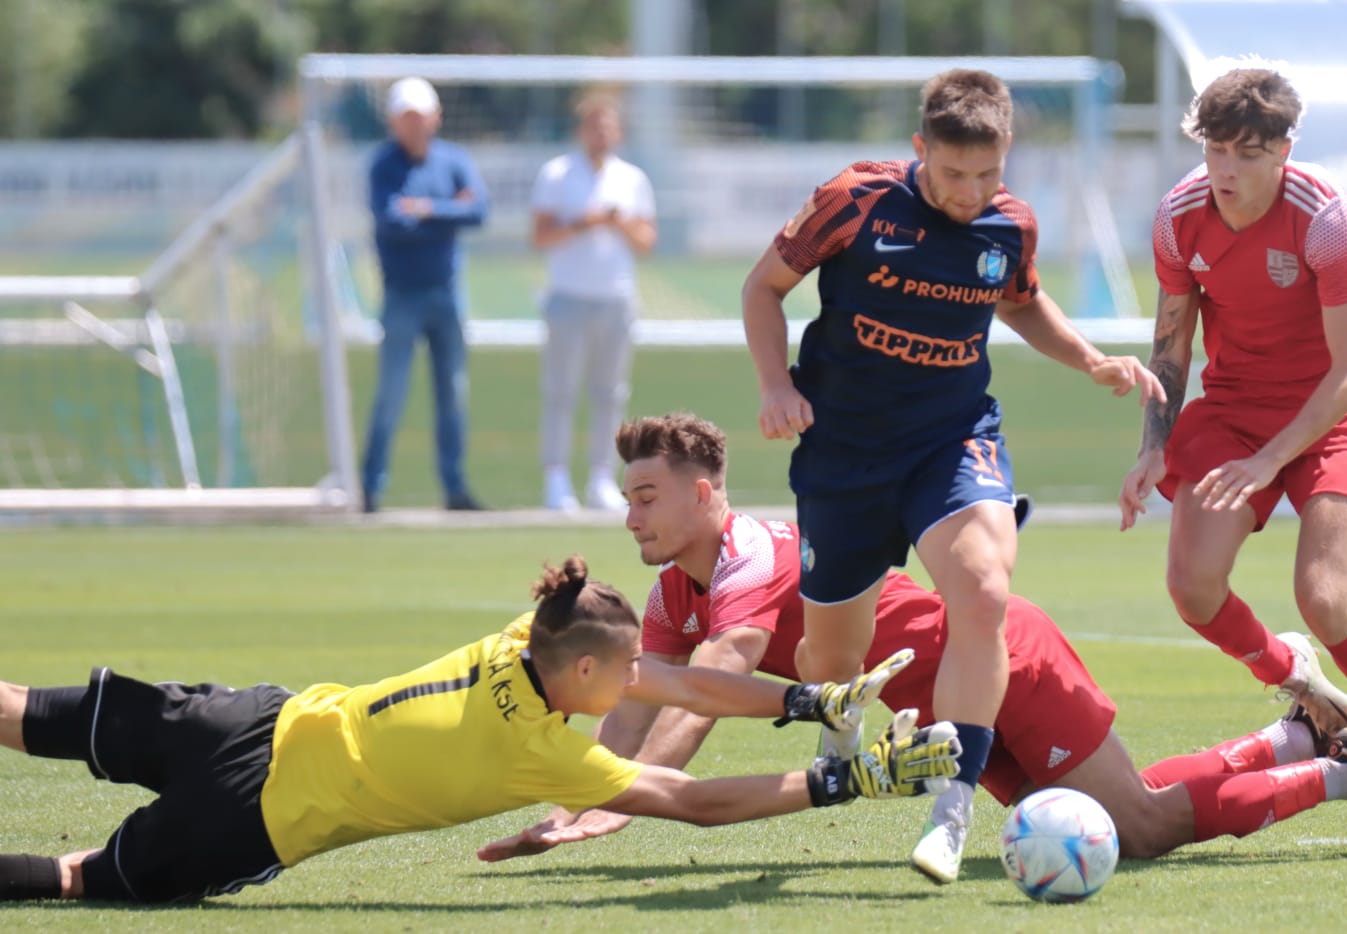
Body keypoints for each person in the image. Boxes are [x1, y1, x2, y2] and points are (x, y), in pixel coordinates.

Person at [479, 412, 1347, 865]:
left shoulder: (749, 557)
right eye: (626, 499)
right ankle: (1293, 739)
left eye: (646, 497)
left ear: (705, 495)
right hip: (946, 709)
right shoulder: (676, 590)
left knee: (1138, 828)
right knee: (1109, 817)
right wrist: (579, 804)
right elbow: (640, 708)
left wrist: (621, 802)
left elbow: (709, 692)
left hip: (1001, 665)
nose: (631, 516)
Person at [740, 68, 1159, 883]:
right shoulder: (854, 200)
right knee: (829, 659)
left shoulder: (1012, 225)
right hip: (844, 454)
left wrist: (1089, 361)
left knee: (984, 590)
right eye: (953, 173)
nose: (971, 193)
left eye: (988, 175)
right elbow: (763, 287)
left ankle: (952, 808)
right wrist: (775, 385)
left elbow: (1021, 299)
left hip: (952, 439)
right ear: (919, 149)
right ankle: (843, 726)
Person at [0, 557, 959, 904]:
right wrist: (850, 779)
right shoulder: (544, 753)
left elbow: (684, 684)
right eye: (625, 672)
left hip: (249, 717)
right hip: (252, 818)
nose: (640, 684)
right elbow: (699, 804)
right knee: (84, 875)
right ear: (583, 672)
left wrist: (800, 701)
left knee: (24, 714)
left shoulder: (523, 637)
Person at [1118, 66, 1347, 853]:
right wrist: (1150, 451)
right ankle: (1293, 676)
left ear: (1286, 150)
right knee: (1192, 590)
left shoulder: (1323, 218)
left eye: (1248, 153)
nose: (1226, 170)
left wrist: (1269, 462)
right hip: (1232, 408)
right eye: (1216, 149)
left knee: (1325, 598)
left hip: (1335, 413)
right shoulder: (1178, 217)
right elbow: (1170, 347)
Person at [359, 77, 489, 514]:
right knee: (390, 395)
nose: (414, 126)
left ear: (435, 117)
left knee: (453, 394)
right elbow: (392, 219)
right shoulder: (383, 165)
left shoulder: (453, 160)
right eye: (405, 118)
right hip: (402, 294)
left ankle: (455, 488)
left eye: (420, 116)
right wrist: (446, 211)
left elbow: (477, 210)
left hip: (446, 292)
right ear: (395, 121)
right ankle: (370, 488)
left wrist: (427, 208)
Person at [531, 91, 658, 513]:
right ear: (580, 131)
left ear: (618, 132)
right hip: (568, 296)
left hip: (615, 297)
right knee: (560, 390)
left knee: (610, 393)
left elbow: (646, 241)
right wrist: (583, 222)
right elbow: (541, 236)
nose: (601, 135)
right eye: (594, 126)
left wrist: (618, 222)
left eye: (608, 127)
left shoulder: (632, 179)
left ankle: (603, 477)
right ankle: (556, 478)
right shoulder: (557, 174)